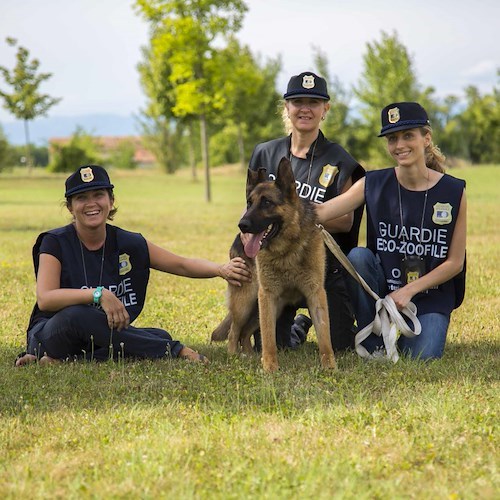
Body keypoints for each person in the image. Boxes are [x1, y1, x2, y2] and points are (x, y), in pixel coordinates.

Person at [15, 164, 251, 366]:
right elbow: (46, 298)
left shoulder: (127, 242)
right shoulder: (54, 242)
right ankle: (175, 349)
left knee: (156, 334)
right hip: (55, 332)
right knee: (79, 315)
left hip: (100, 333)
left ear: (111, 200)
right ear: (70, 207)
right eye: (81, 198)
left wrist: (220, 270)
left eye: (98, 194)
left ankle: (61, 360)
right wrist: (97, 295)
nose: (91, 203)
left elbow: (180, 264)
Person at [316, 102, 467, 360]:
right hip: (383, 289)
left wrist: (409, 290)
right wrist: (272, 208)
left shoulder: (453, 191)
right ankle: (374, 336)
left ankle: (414, 326)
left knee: (421, 357)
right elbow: (321, 212)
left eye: (408, 136)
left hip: (430, 294)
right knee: (359, 257)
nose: (399, 146)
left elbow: (454, 263)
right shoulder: (373, 183)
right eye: (392, 138)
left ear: (426, 137)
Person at [244, 71, 365, 351]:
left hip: (322, 269)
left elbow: (345, 221)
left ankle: (336, 320)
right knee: (273, 346)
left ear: (325, 109)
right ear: (286, 107)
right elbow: (251, 212)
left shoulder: (338, 158)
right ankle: (298, 326)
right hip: (276, 266)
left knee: (340, 347)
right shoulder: (265, 153)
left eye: (314, 101)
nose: (305, 108)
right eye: (297, 101)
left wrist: (296, 219)